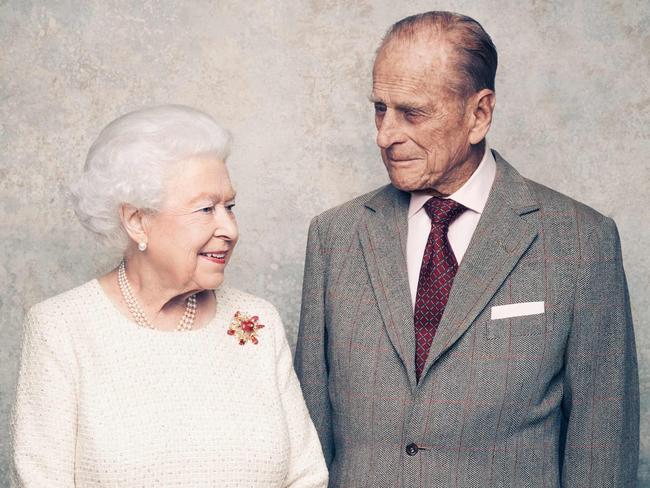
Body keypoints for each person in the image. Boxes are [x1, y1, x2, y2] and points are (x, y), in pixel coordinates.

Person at [295, 11, 639, 487]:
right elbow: (306, 443)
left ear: (479, 114)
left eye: (412, 112)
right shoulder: (334, 237)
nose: (385, 135)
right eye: (380, 108)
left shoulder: (581, 242)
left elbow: (601, 450)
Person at [11, 105, 328, 487]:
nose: (229, 228)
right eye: (206, 209)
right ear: (137, 221)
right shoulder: (62, 328)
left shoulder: (258, 321)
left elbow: (307, 474)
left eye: (229, 207)